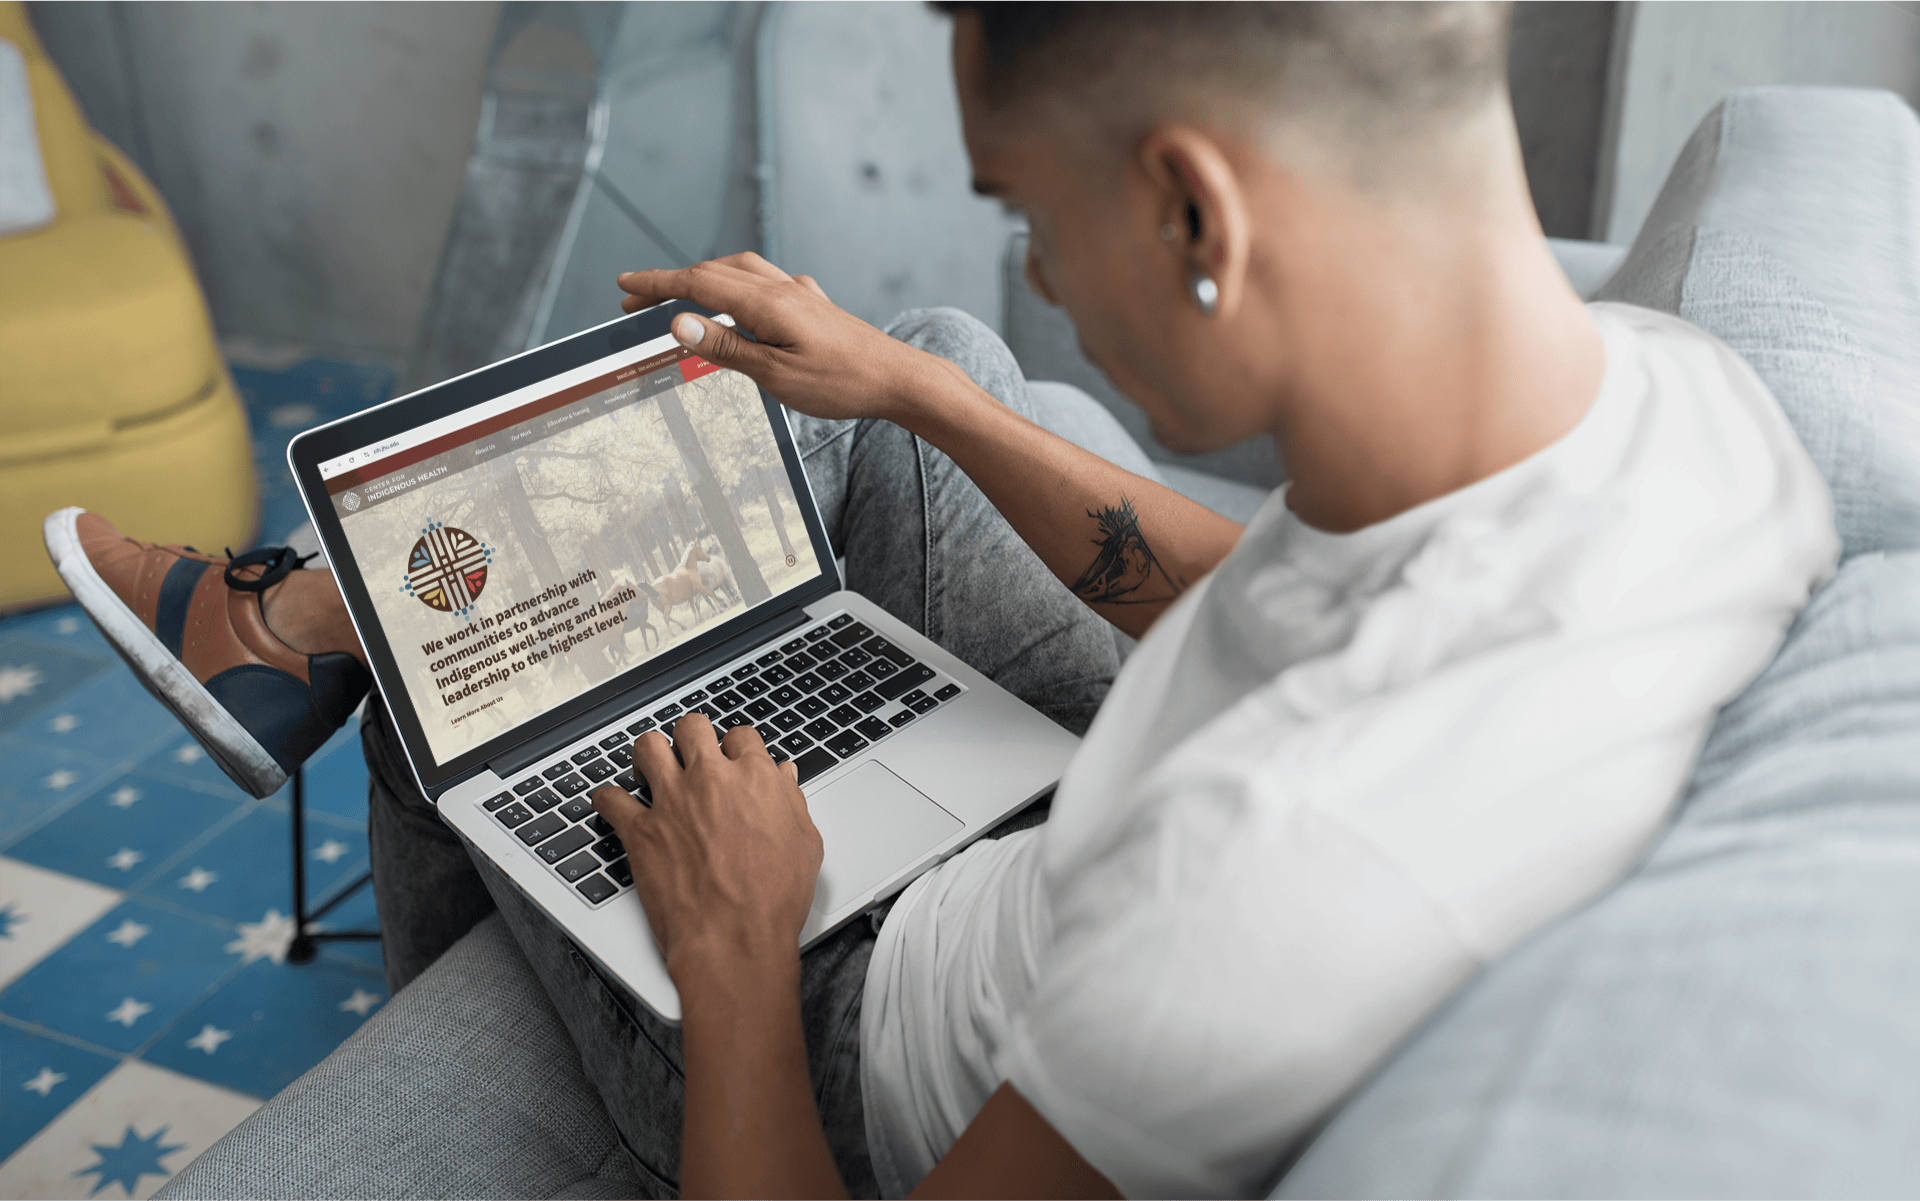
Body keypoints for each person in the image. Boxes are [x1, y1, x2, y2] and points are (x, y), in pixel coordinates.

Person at [49, 3, 1838, 1197]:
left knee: (500, 707)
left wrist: (741, 944)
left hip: (848, 1028)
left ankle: (308, 642)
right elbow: (1294, 589)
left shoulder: (1265, 902)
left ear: (1193, 217)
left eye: (1032, 218)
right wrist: (929, 403)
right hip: (1086, 830)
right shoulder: (1684, 412)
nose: (1042, 272)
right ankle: (316, 625)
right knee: (899, 364)